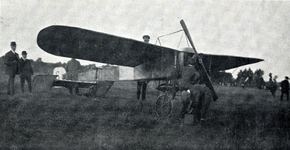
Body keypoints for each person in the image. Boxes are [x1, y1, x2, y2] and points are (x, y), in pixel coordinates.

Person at [137, 35, 150, 100]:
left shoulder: (150, 47)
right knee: (139, 85)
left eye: (147, 40)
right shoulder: (141, 47)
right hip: (140, 68)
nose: (146, 41)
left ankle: (143, 99)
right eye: (145, 40)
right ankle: (138, 98)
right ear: (143, 40)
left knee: (144, 86)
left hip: (146, 68)